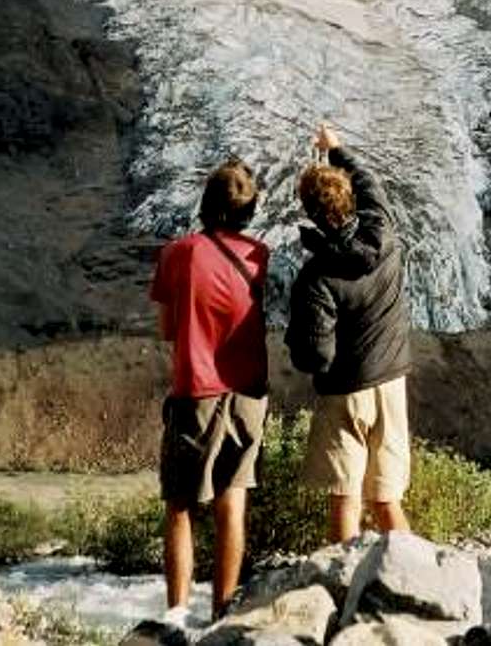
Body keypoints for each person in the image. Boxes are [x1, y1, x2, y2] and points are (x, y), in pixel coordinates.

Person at [150, 158, 269, 626]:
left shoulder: (178, 253)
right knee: (232, 501)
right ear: (249, 208)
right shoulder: (261, 255)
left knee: (180, 505)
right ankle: (223, 613)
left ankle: (177, 615)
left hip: (195, 392)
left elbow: (166, 329)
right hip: (248, 394)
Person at [286, 123, 412, 543]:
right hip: (392, 382)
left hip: (345, 392)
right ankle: (419, 581)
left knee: (345, 496)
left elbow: (314, 356)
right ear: (350, 199)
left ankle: (344, 592)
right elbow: (370, 183)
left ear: (311, 213)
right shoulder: (384, 231)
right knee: (386, 498)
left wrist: (295, 341)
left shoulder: (316, 276)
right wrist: (336, 149)